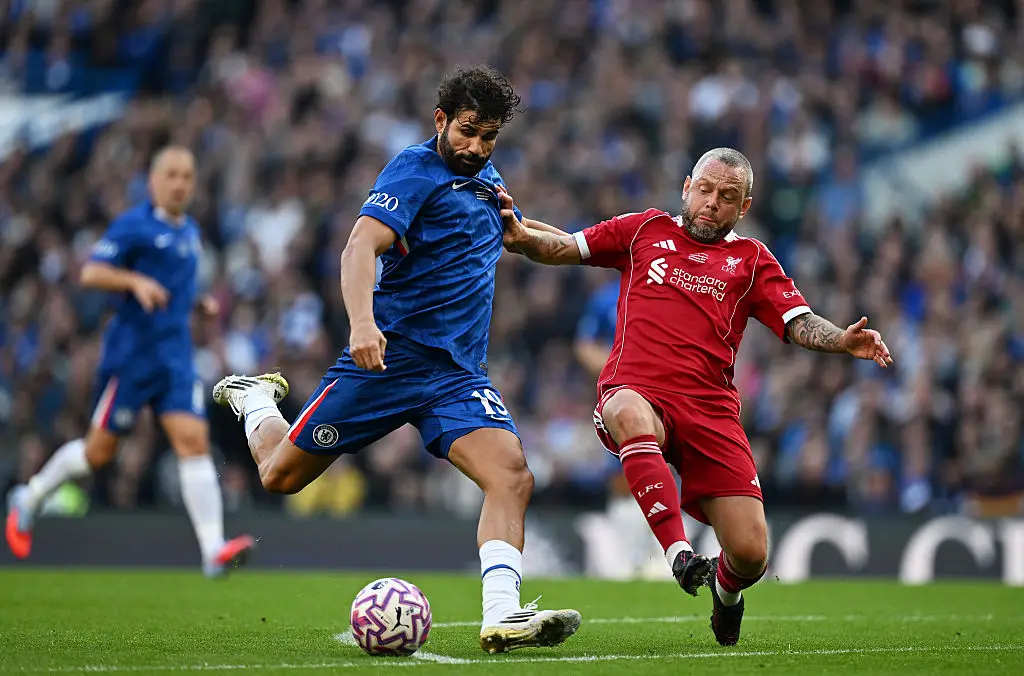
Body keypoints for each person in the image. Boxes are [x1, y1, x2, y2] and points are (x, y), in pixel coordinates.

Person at [209, 66, 581, 654]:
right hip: (390, 359)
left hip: (456, 375)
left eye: (488, 137)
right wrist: (362, 323)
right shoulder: (414, 170)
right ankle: (256, 400)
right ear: (440, 120)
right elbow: (361, 244)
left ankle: (502, 614)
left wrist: (549, 239)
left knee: (511, 475)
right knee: (280, 477)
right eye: (467, 131)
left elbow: (525, 239)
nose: (476, 146)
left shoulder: (486, 180)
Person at [499, 147, 892, 646]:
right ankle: (678, 554)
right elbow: (562, 246)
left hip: (710, 410)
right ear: (687, 187)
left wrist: (841, 340)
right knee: (626, 411)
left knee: (751, 553)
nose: (711, 202)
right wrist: (521, 237)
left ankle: (726, 595)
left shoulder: (752, 260)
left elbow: (798, 322)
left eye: (727, 196)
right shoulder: (643, 230)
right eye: (704, 189)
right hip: (637, 389)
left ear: (743, 207)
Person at [5, 147, 254, 578]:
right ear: (153, 181)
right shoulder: (133, 225)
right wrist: (134, 280)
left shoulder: (189, 230)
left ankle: (212, 550)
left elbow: (174, 285)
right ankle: (30, 496)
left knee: (193, 441)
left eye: (187, 176)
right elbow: (91, 273)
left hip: (175, 358)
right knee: (98, 452)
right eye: (171, 175)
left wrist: (199, 303)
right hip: (133, 359)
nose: (179, 184)